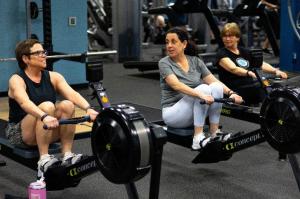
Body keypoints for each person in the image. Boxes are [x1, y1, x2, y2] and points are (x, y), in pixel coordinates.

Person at [5, 39, 99, 179]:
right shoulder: (16, 79)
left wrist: (88, 108)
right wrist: (44, 116)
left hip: (44, 130)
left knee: (67, 104)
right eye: (38, 53)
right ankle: (43, 159)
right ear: (26, 58)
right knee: (47, 106)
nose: (44, 55)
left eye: (44, 52)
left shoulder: (53, 76)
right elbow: (25, 103)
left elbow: (72, 94)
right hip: (20, 134)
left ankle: (67, 154)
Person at [159, 27, 243, 151]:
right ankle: (197, 138)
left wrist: (232, 93)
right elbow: (176, 85)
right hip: (173, 115)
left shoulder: (196, 61)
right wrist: (200, 95)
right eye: (167, 42)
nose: (169, 46)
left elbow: (214, 81)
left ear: (184, 44)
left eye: (173, 41)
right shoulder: (164, 63)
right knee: (203, 88)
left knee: (216, 86)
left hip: (194, 112)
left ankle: (215, 132)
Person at [215, 22, 287, 105]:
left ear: (237, 38)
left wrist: (276, 71)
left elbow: (260, 64)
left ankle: (280, 111)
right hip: (234, 89)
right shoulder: (221, 53)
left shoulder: (243, 51)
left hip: (248, 85)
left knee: (275, 86)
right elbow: (233, 69)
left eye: (230, 36)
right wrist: (248, 73)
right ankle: (271, 112)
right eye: (225, 36)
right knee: (261, 88)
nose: (227, 39)